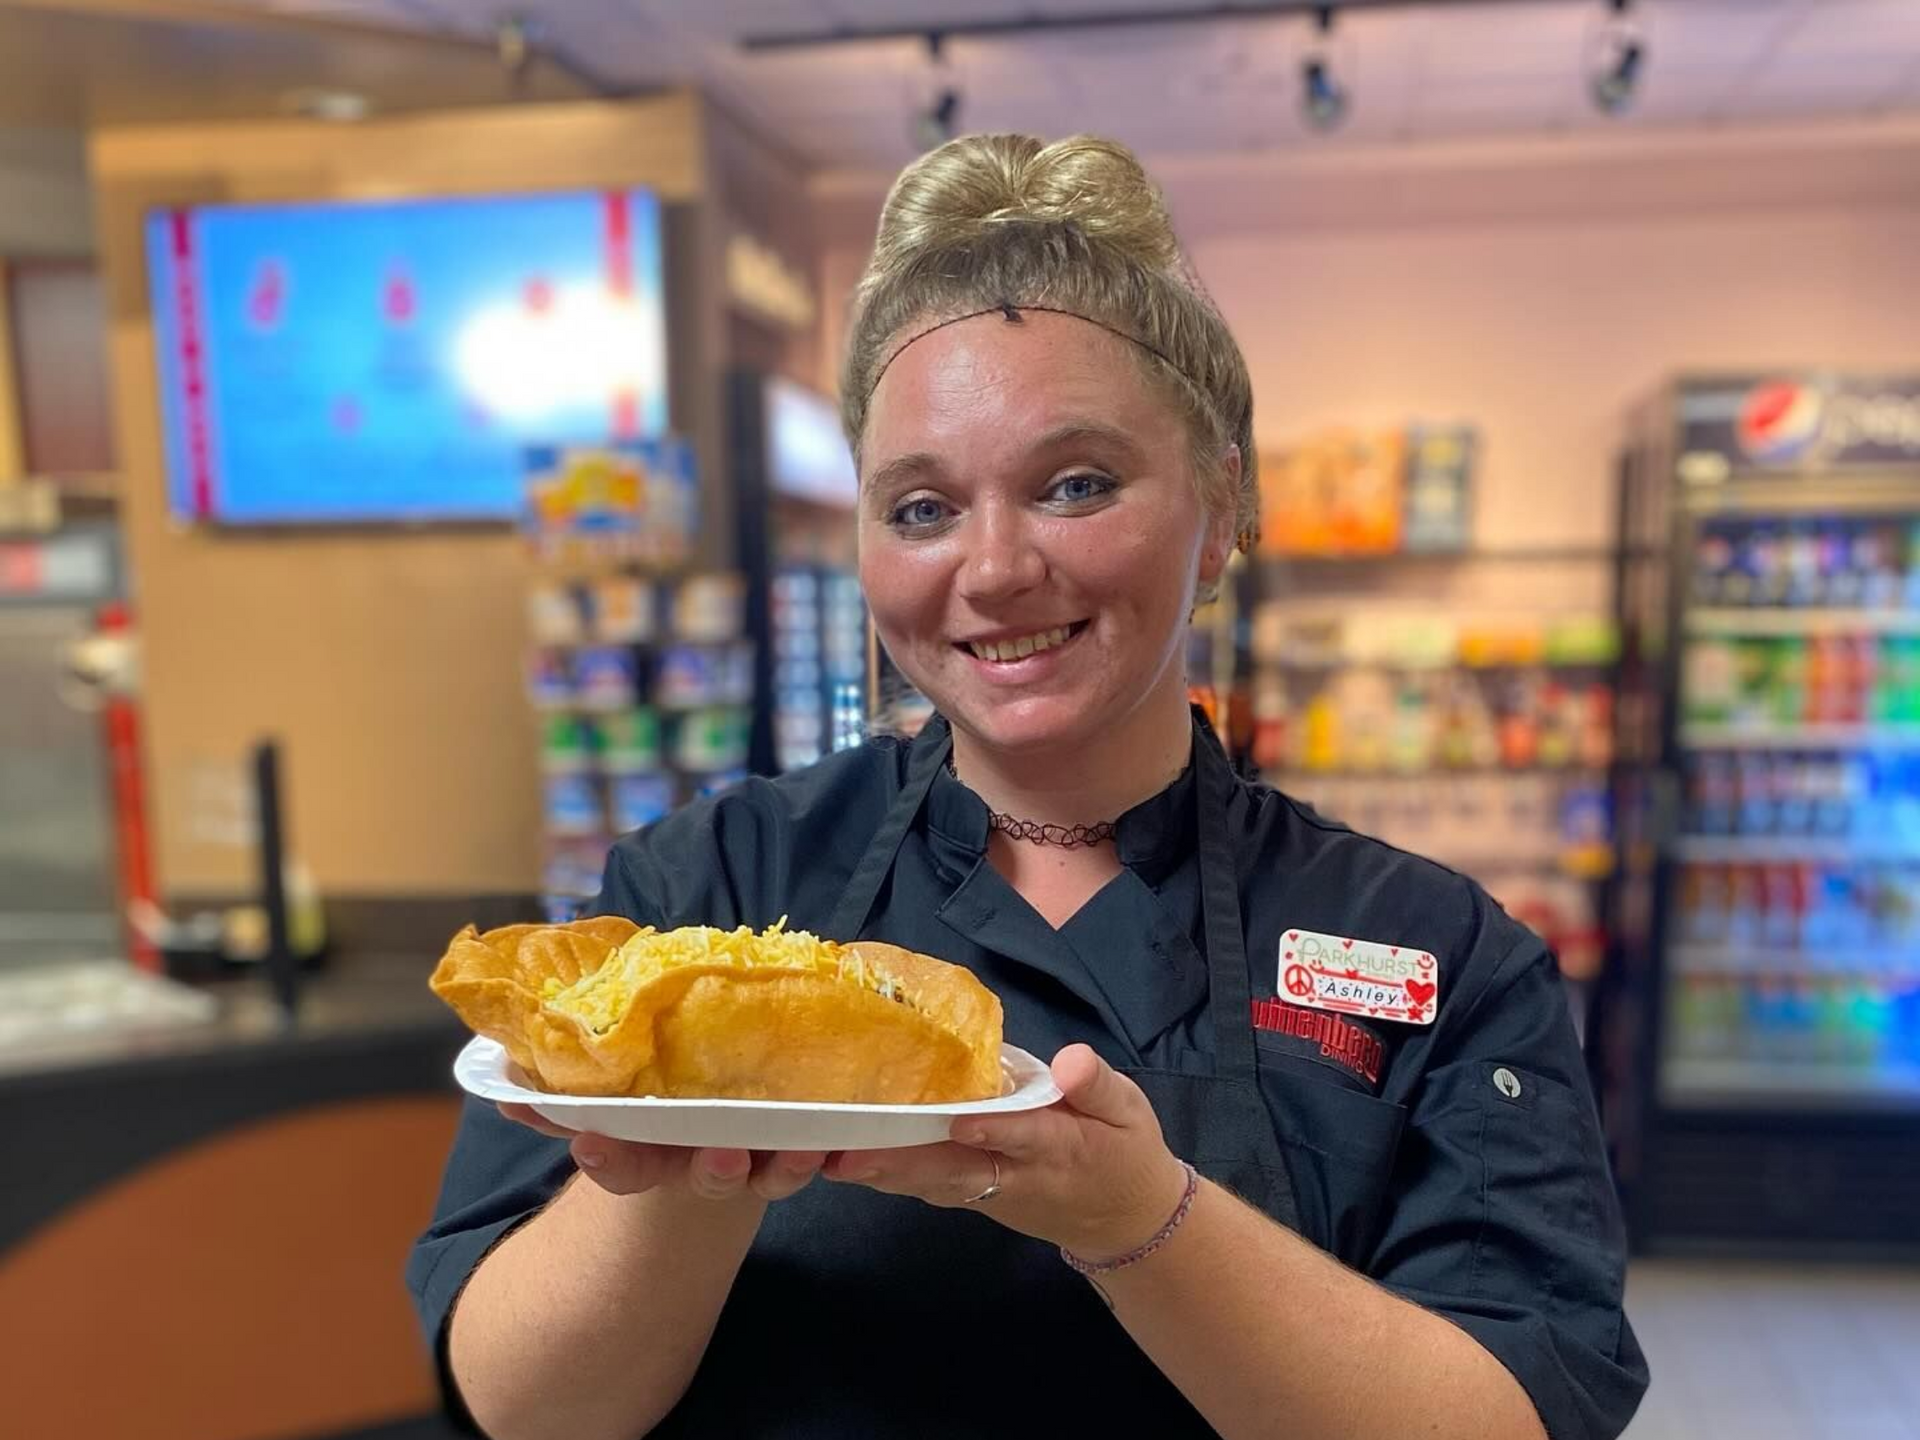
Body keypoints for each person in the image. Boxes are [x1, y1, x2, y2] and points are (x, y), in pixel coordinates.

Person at [407, 133, 1648, 1440]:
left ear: (1224, 504)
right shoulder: (710, 889)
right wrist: (699, 1164)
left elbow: (1517, 1413)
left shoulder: (1437, 955)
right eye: (923, 507)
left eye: (1075, 484)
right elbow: (524, 1408)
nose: (992, 568)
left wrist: (1137, 1220)